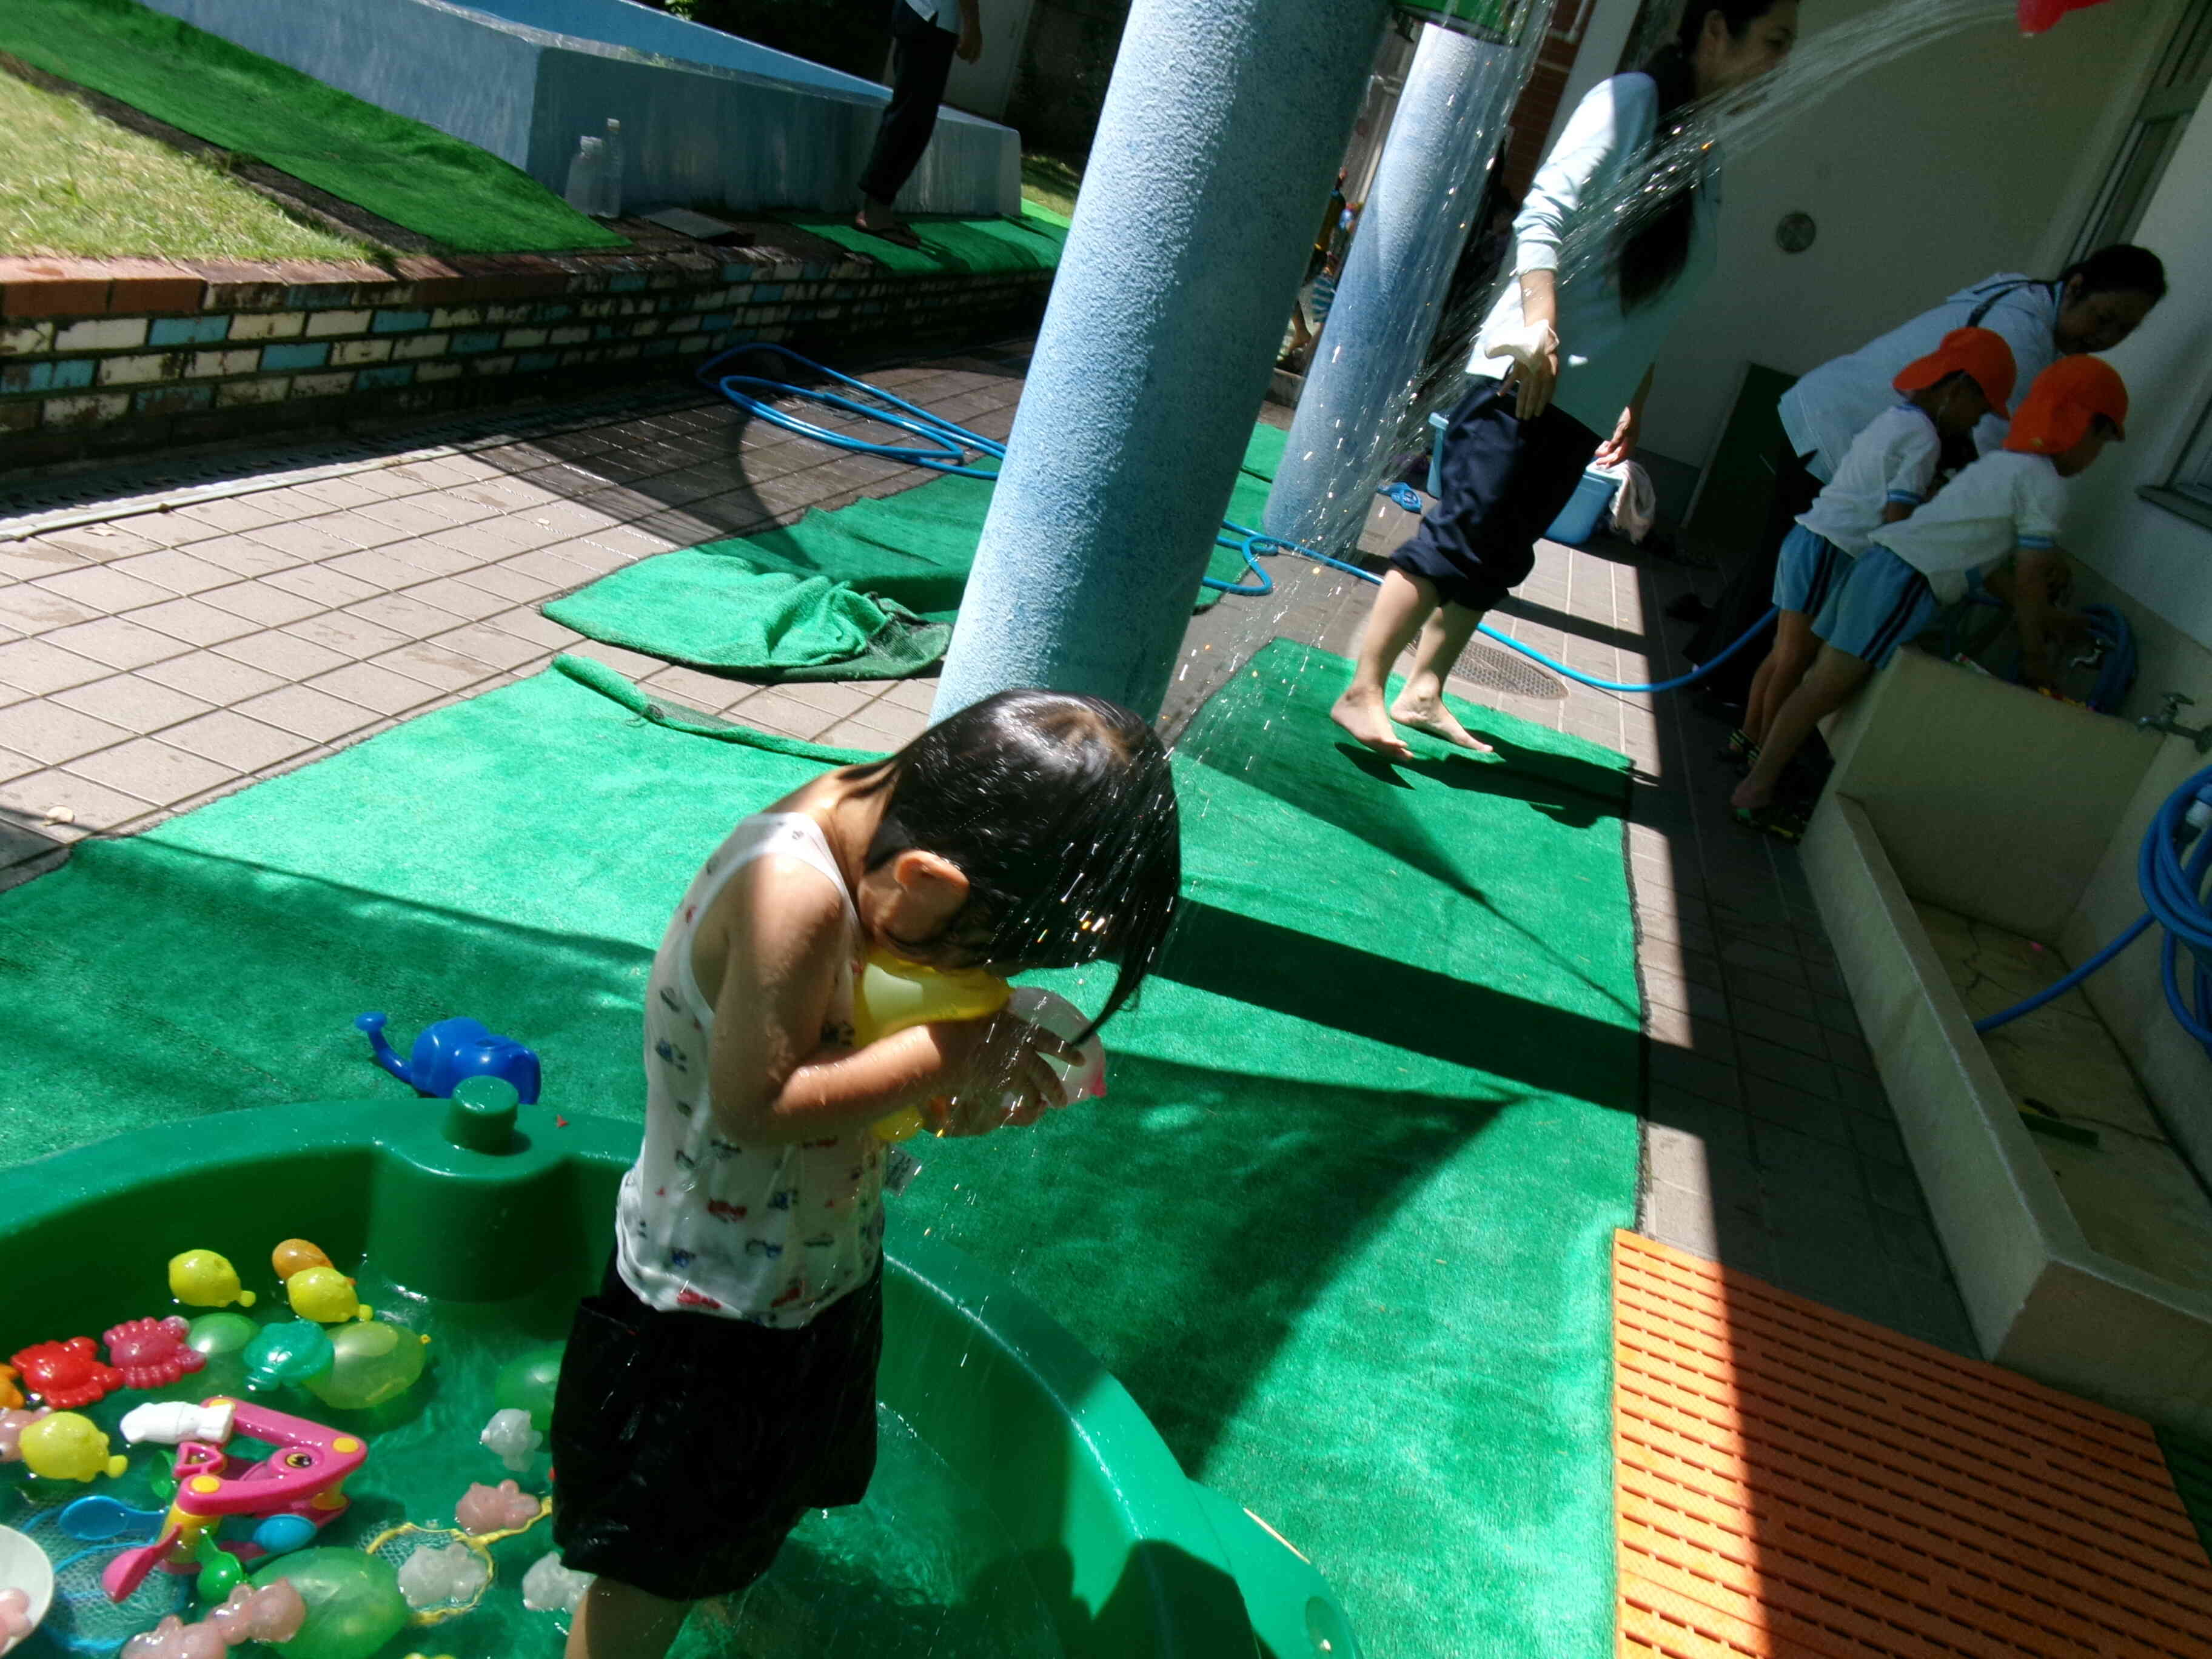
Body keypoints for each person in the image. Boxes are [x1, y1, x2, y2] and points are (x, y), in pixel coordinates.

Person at [549, 689, 1181, 1659]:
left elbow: (842, 1054)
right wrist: (946, 1055)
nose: (977, 984)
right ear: (926, 877)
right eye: (980, 959)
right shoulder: (792, 896)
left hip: (815, 1267)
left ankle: (721, 1586)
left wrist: (933, 1095)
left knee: (754, 1492)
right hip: (709, 1305)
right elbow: (755, 1107)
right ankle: (667, 1605)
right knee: (651, 1557)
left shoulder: (889, 819)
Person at [1330, 0, 1799, 761]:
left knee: (1504, 550)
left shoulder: (1700, 147)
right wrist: (1541, 332)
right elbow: (1543, 213)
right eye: (1774, 40)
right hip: (1528, 377)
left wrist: (1633, 396)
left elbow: (1655, 295)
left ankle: (1424, 691)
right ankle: (1363, 688)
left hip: (1581, 400)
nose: (1782, 62)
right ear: (1717, 29)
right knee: (1462, 535)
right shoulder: (1631, 102)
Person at [1688, 244, 2168, 710]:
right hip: (1842, 434)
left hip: (1831, 414)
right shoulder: (2020, 339)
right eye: (2102, 318)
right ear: (2076, 287)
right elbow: (1988, 464)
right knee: (1804, 585)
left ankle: (1712, 667)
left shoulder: (2020, 295)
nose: (2105, 338)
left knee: (1786, 564)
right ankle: (1731, 691)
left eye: (2123, 330)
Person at [1729, 355, 2128, 831]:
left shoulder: (2003, 465)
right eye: (2102, 441)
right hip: (1905, 582)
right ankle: (1758, 790)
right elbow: (2028, 578)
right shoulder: (2046, 486)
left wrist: (2052, 619)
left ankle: (1761, 777)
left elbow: (1985, 565)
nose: (2095, 456)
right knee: (1825, 689)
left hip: (1878, 565)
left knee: (1815, 682)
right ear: (2082, 427)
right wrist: (2034, 655)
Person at [1734, 326, 2017, 763]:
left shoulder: (1894, 418)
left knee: (1783, 655)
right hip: (1833, 548)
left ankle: (1749, 738)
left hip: (1810, 540)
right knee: (1795, 661)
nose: (1974, 425)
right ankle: (1765, 756)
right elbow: (1896, 517)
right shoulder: (1926, 439)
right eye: (1978, 413)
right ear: (1957, 391)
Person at [854, 0, 984, 249]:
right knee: (910, 118)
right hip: (929, 18)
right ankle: (874, 213)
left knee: (914, 117)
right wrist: (972, 25)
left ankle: (879, 208)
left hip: (926, 16)